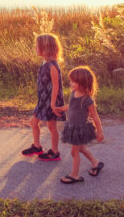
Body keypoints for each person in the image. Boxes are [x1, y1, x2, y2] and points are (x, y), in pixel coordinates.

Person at [54, 66, 104, 184]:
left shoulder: (87, 100)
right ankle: (96, 163)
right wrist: (61, 108)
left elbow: (95, 116)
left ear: (82, 83)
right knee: (81, 148)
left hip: (80, 129)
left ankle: (75, 175)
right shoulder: (74, 93)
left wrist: (100, 131)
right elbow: (71, 107)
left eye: (74, 81)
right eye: (71, 80)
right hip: (72, 126)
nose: (71, 83)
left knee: (74, 152)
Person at [22, 33, 66, 161]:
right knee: (33, 122)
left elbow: (56, 87)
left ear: (46, 48)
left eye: (37, 46)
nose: (35, 48)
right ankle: (37, 146)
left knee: (51, 126)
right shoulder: (44, 63)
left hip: (51, 102)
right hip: (42, 101)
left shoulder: (52, 66)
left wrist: (53, 105)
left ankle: (55, 151)